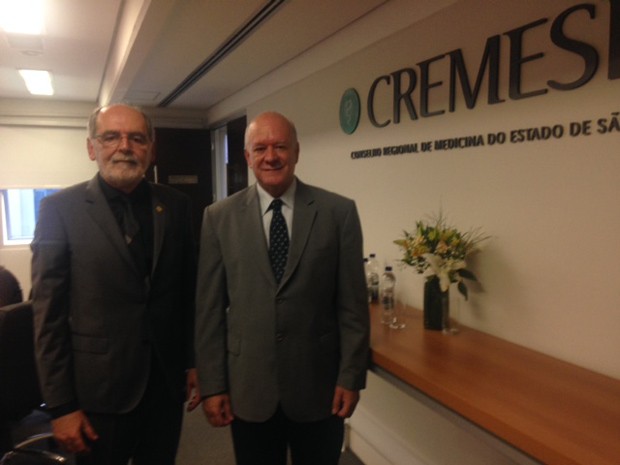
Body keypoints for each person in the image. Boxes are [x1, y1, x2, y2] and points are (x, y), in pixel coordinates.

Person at [195, 111, 370, 465]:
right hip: (249, 389)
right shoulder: (218, 217)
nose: (270, 156)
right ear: (247, 157)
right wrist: (213, 385)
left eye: (280, 146)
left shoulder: (339, 213)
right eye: (260, 148)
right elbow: (209, 310)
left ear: (297, 151)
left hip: (319, 389)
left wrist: (351, 377)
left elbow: (352, 306)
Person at [31, 104, 200, 465]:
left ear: (151, 149)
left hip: (165, 389)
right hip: (97, 395)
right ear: (92, 147)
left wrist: (192, 362)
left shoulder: (176, 205)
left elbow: (186, 295)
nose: (125, 146)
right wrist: (61, 406)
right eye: (112, 137)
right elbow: (49, 316)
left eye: (137, 138)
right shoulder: (59, 210)